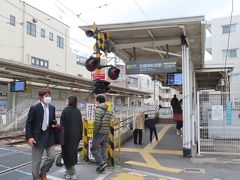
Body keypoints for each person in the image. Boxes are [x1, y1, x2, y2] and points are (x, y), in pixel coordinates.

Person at [25, 88, 57, 180]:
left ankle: (43, 172)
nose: (49, 98)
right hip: (37, 138)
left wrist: (54, 124)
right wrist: (29, 137)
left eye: (49, 96)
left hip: (49, 136)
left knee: (52, 157)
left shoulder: (52, 108)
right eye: (46, 96)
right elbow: (29, 123)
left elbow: (53, 121)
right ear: (40, 97)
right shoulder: (35, 108)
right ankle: (35, 178)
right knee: (36, 162)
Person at [60, 95, 83, 180]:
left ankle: (72, 173)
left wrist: (61, 139)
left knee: (66, 155)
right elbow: (81, 125)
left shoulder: (65, 111)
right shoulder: (78, 111)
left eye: (67, 100)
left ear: (69, 101)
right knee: (72, 154)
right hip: (76, 137)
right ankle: (68, 171)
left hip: (67, 137)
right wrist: (80, 136)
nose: (66, 101)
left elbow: (62, 127)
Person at [91, 95, 112, 173]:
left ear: (98, 101)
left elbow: (97, 123)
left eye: (96, 101)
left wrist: (94, 133)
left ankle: (101, 163)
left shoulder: (99, 110)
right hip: (106, 132)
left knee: (93, 149)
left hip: (100, 132)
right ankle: (103, 164)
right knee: (104, 149)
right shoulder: (108, 109)